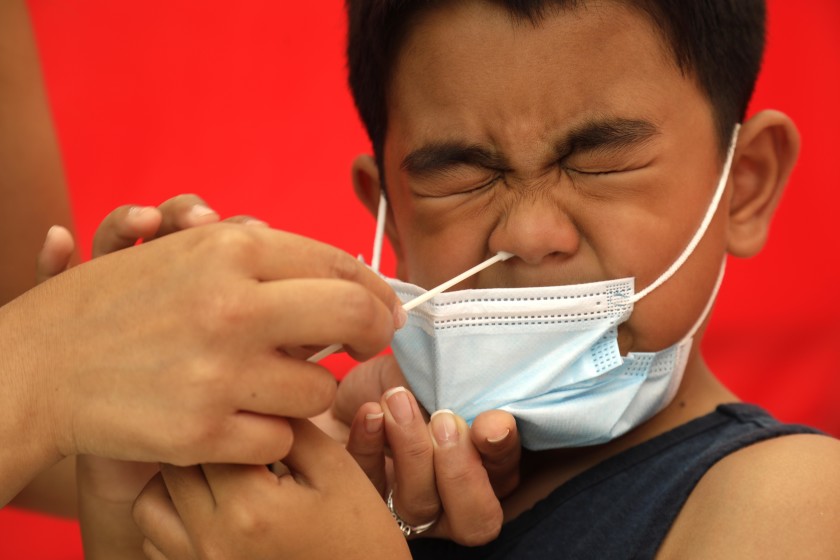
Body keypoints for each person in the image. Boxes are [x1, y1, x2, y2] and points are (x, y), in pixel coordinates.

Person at [115, 0, 840, 558]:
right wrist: (143, 464)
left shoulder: (792, 501)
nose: (527, 236)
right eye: (461, 176)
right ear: (389, 215)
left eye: (600, 161)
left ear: (745, 185)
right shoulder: (307, 489)